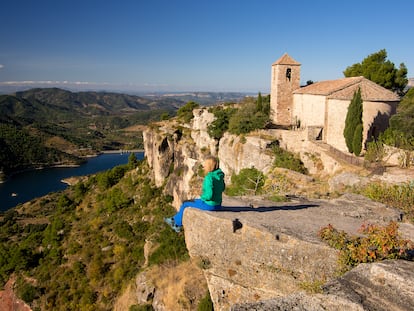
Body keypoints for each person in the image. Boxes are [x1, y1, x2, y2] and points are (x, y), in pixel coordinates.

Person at [164, 156, 225, 232]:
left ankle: (177, 224)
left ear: (209, 166)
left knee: (185, 204)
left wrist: (203, 197)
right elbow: (222, 188)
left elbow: (209, 195)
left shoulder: (209, 178)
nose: (204, 167)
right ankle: (173, 219)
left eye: (205, 165)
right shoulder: (220, 175)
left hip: (209, 205)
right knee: (192, 201)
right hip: (218, 205)